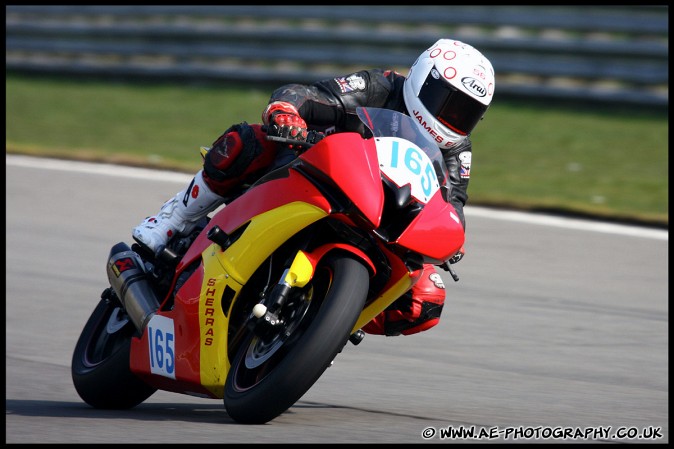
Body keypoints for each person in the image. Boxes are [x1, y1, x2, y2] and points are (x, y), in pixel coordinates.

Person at [132, 38, 495, 337]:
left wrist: (449, 238)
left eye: (467, 113)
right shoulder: (381, 86)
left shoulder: (457, 151)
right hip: (320, 177)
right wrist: (287, 111)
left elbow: (454, 205)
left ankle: (328, 324)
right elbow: (310, 94)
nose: (453, 120)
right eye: (449, 105)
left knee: (425, 299)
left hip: (385, 220)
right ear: (423, 80)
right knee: (247, 142)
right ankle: (170, 220)